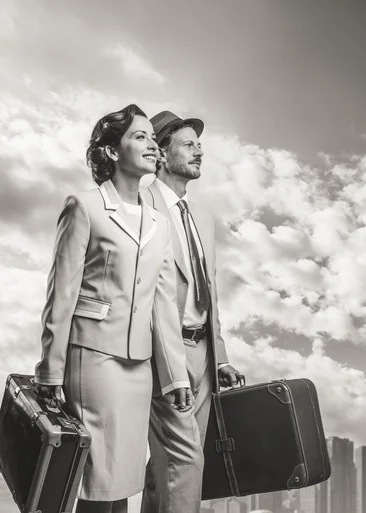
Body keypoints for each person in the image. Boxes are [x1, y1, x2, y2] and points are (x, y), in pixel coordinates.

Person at [33, 104, 194, 513]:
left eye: (152, 139)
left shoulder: (159, 222)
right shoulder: (83, 206)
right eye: (139, 137)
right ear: (109, 151)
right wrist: (51, 368)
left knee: (122, 480)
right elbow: (62, 293)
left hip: (138, 367)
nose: (152, 146)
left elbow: (163, 304)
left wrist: (174, 377)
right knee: (95, 479)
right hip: (94, 360)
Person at [140, 110, 243, 513]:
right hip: (163, 352)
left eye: (200, 145)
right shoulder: (140, 202)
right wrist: (170, 367)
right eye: (188, 145)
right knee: (186, 463)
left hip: (203, 355)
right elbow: (142, 292)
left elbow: (208, 289)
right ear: (161, 153)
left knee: (167, 469)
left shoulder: (201, 215)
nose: (199, 152)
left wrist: (220, 356)